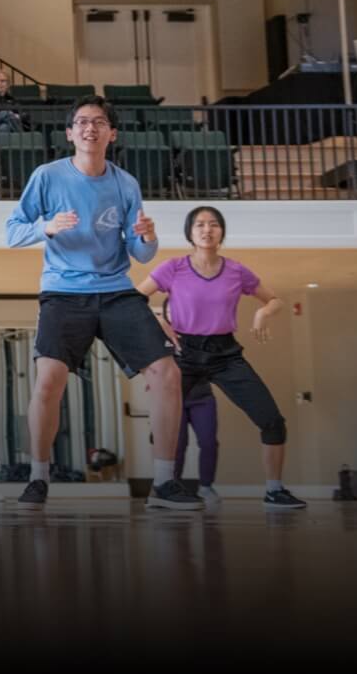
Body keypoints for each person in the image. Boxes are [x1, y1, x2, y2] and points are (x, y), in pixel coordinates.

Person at [4, 95, 200, 510]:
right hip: (62, 291)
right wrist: (47, 227)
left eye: (98, 122)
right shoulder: (47, 176)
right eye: (81, 122)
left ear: (112, 133)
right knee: (47, 380)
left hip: (115, 290)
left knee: (167, 373)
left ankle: (164, 483)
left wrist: (147, 237)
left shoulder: (125, 183)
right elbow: (12, 232)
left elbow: (141, 255)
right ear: (70, 133)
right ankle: (38, 477)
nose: (89, 128)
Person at [138, 206, 305, 510]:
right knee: (162, 428)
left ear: (221, 232)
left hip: (225, 354)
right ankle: (161, 487)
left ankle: (274, 490)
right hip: (183, 353)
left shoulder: (237, 271)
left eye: (213, 224)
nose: (206, 229)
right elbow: (135, 299)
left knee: (273, 421)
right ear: (190, 233)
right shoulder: (173, 268)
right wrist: (159, 321)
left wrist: (263, 312)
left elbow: (275, 300)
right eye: (199, 224)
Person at [175, 381, 220, 503]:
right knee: (177, 445)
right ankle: (173, 487)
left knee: (209, 442)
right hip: (173, 398)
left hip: (203, 398)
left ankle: (206, 487)